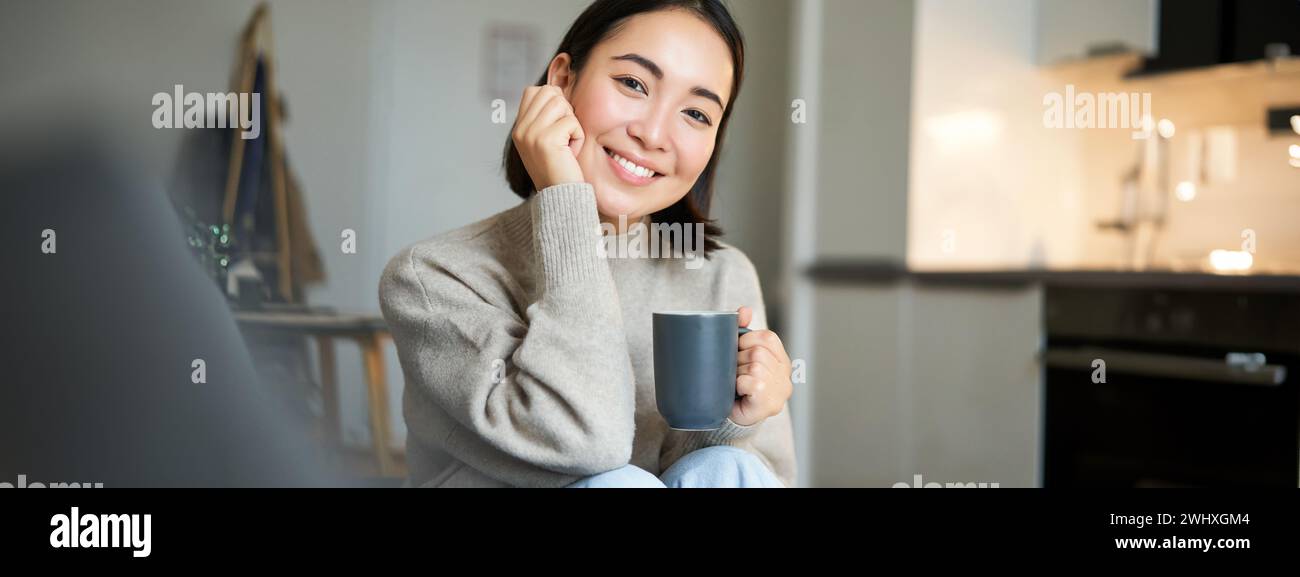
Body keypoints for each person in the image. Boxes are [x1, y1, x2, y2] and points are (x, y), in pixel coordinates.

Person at [380, 0, 795, 488]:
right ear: (561, 82)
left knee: (733, 465)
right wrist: (565, 202)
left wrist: (736, 419)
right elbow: (585, 446)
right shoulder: (434, 277)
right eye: (634, 84)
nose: (653, 133)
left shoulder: (723, 275)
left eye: (696, 113)